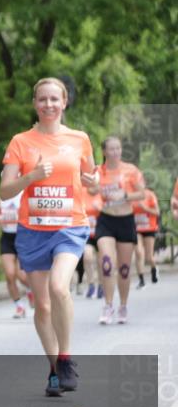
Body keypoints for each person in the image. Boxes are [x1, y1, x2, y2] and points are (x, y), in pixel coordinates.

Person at [0, 77, 98, 397]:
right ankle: (54, 370)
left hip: (69, 227)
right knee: (42, 306)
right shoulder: (20, 142)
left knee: (59, 287)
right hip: (32, 231)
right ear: (34, 104)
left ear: (64, 102)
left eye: (54, 99)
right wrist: (31, 177)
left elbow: (92, 182)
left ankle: (66, 359)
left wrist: (92, 183)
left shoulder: (80, 139)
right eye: (42, 99)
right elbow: (5, 191)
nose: (49, 105)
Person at [93, 137, 145, 324]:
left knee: (124, 269)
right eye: (111, 149)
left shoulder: (130, 170)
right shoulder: (98, 171)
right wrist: (93, 189)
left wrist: (124, 195)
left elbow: (142, 193)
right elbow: (90, 189)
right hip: (106, 220)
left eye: (118, 148)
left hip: (125, 220)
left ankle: (123, 305)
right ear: (105, 151)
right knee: (106, 262)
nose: (115, 152)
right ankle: (108, 305)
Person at [0, 192, 32, 317]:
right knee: (10, 275)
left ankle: (32, 290)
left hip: (22, 238)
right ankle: (19, 306)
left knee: (22, 276)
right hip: (7, 239)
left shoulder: (25, 197)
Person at [133, 187, 160, 288]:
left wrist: (145, 208)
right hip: (136, 229)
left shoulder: (150, 195)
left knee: (149, 257)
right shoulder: (131, 196)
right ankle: (141, 280)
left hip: (149, 228)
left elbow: (157, 212)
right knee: (139, 252)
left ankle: (154, 268)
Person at [82, 190, 103, 299]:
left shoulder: (103, 193)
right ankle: (91, 284)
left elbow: (112, 211)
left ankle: (101, 285)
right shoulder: (82, 192)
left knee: (101, 261)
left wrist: (100, 209)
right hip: (87, 234)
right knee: (87, 257)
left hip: (101, 233)